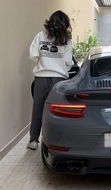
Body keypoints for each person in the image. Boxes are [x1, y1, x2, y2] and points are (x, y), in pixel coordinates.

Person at [27, 10, 73, 150]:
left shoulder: (40, 36)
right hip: (58, 80)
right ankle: (58, 139)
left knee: (38, 109)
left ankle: (33, 141)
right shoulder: (66, 39)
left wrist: (45, 59)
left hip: (41, 78)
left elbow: (33, 56)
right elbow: (68, 62)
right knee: (59, 110)